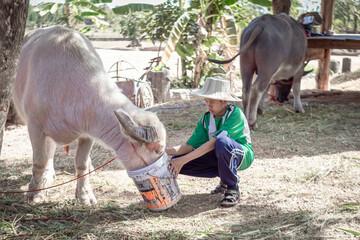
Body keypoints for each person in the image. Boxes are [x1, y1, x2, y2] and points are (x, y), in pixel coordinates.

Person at [165, 76, 254, 207]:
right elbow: (188, 146)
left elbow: (214, 143)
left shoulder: (235, 114)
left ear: (224, 100)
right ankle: (225, 178)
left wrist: (183, 160)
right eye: (206, 101)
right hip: (220, 153)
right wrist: (164, 151)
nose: (208, 105)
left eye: (212, 101)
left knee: (222, 142)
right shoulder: (205, 119)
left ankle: (232, 187)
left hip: (241, 155)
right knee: (175, 160)